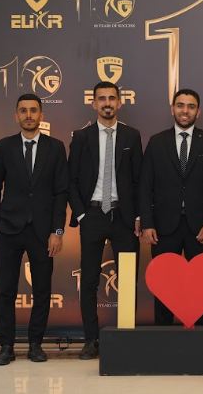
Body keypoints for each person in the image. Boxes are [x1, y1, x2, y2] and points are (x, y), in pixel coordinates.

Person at [0, 93, 68, 365]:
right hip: (9, 229)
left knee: (42, 290)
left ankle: (35, 344)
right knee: (6, 290)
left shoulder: (55, 147)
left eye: (34, 110)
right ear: (16, 115)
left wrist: (57, 231)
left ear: (42, 115)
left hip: (43, 232)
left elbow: (61, 192)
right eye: (24, 110)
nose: (29, 115)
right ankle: (6, 346)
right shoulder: (3, 147)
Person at [68, 81, 142, 358]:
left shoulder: (132, 136)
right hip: (93, 215)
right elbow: (71, 180)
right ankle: (91, 340)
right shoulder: (81, 137)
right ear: (94, 103)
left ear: (119, 102)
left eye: (112, 98)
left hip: (124, 217)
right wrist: (82, 214)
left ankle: (127, 338)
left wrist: (139, 216)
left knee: (128, 279)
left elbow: (139, 180)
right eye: (102, 98)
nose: (107, 103)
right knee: (89, 281)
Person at [139, 89, 203, 325]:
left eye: (191, 106)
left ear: (198, 111)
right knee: (164, 286)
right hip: (164, 228)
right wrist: (147, 223)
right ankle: (164, 337)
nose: (185, 111)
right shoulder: (156, 142)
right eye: (180, 105)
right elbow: (145, 186)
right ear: (172, 109)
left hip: (201, 228)